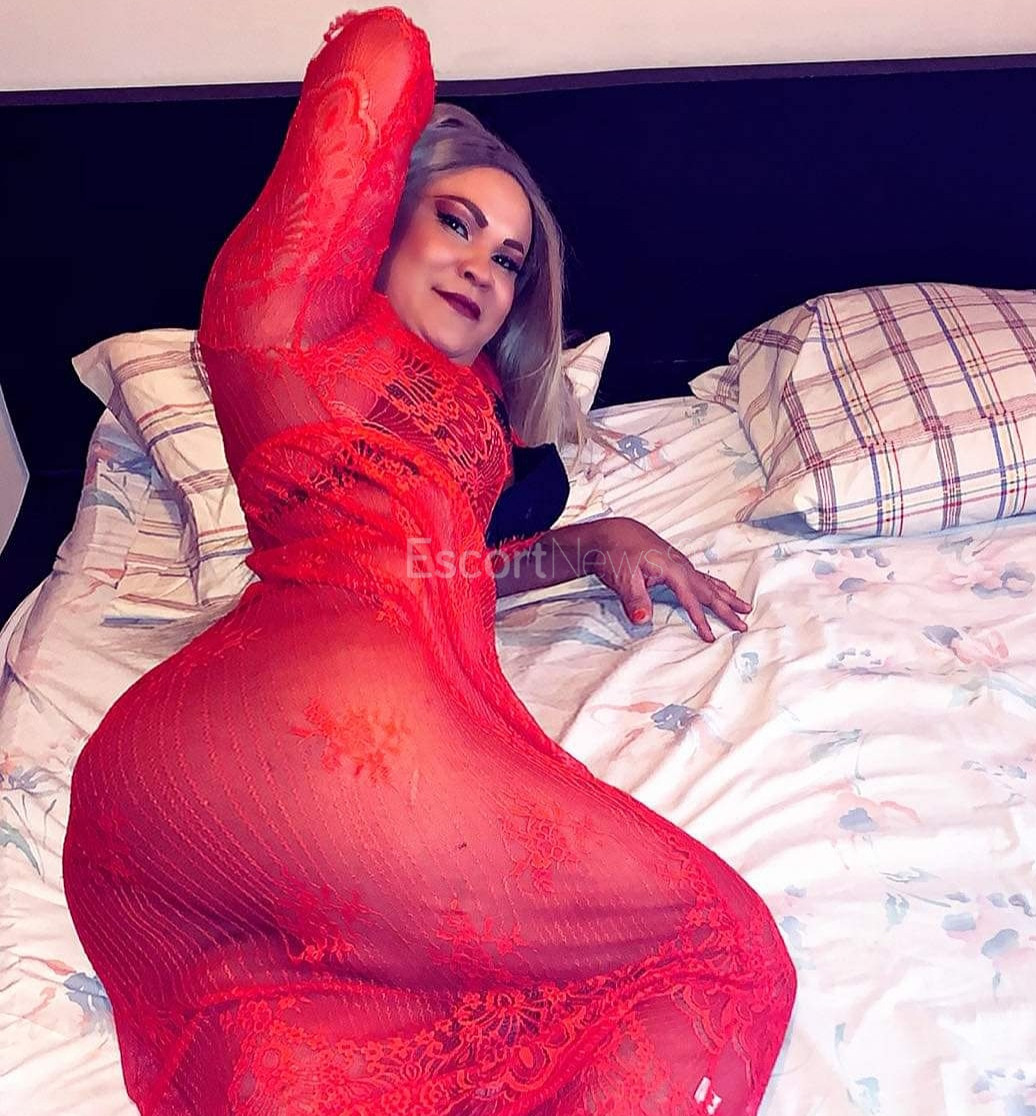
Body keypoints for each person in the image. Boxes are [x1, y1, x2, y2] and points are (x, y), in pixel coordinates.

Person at [62, 8, 796, 1113]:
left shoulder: (471, 413)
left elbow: (430, 573)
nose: (482, 267)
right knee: (727, 954)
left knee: (347, 1035)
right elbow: (381, 58)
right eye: (454, 222)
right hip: (325, 738)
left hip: (210, 784)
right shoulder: (292, 331)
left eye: (509, 261)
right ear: (379, 220)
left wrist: (587, 543)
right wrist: (423, 142)